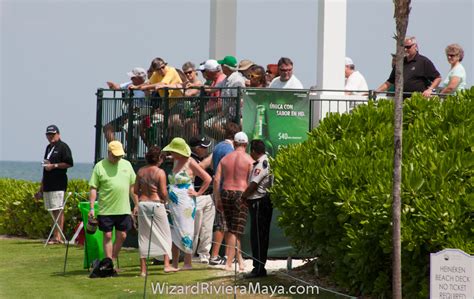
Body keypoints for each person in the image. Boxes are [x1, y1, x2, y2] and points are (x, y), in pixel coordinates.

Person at [162, 137, 211, 270]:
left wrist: (198, 193)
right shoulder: (175, 160)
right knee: (174, 230)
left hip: (186, 202)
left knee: (186, 229)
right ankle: (175, 263)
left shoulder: (191, 162)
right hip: (173, 202)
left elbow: (207, 178)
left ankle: (188, 262)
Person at [88, 141, 138, 270]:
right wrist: (92, 207)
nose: (117, 158)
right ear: (109, 153)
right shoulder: (99, 166)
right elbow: (93, 188)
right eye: (115, 156)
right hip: (106, 209)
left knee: (122, 235)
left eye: (119, 156)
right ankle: (109, 263)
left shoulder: (127, 165)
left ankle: (112, 259)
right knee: (108, 235)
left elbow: (132, 188)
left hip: (124, 208)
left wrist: (137, 204)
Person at [213, 131, 254, 272]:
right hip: (241, 194)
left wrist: (217, 198)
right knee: (235, 231)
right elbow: (251, 181)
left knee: (231, 229)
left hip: (225, 192)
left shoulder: (225, 159)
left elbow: (217, 179)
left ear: (235, 143)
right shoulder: (249, 160)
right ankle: (229, 263)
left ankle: (240, 260)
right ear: (246, 144)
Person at [134, 146, 176, 276]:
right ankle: (167, 265)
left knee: (143, 236)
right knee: (165, 234)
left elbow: (135, 191)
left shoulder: (140, 171)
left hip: (142, 204)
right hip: (156, 204)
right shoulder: (160, 172)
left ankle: (143, 270)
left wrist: (136, 205)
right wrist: (169, 201)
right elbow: (163, 192)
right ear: (159, 158)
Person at [209, 122, 240, 266]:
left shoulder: (217, 147)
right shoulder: (229, 150)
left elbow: (212, 166)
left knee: (226, 224)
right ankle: (214, 256)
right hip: (225, 189)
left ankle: (228, 255)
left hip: (219, 189)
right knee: (221, 225)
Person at [35, 125, 74, 244]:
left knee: (58, 208)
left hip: (58, 183)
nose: (50, 136)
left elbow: (69, 163)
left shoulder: (63, 147)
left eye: (53, 134)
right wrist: (41, 188)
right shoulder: (48, 147)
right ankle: (55, 236)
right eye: (48, 134)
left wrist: (54, 166)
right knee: (52, 210)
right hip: (48, 183)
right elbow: (45, 167)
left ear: (58, 134)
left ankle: (59, 237)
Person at [242, 140, 273, 278]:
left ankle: (258, 269)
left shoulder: (261, 164)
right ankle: (259, 267)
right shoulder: (267, 161)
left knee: (258, 237)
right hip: (262, 202)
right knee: (260, 236)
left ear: (254, 151)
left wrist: (243, 197)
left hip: (259, 202)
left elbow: (254, 185)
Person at [376, 36, 441, 97]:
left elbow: (438, 78)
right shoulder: (400, 63)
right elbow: (389, 82)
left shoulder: (423, 61)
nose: (406, 49)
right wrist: (376, 92)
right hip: (401, 101)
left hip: (418, 100)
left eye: (408, 47)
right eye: (404, 47)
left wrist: (430, 89)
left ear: (415, 46)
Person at [189, 135, 215, 264]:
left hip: (209, 195)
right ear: (196, 148)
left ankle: (204, 254)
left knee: (207, 228)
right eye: (203, 147)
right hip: (197, 196)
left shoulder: (204, 158)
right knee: (195, 228)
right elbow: (198, 171)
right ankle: (190, 254)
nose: (206, 150)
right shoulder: (190, 159)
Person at [103, 67, 147, 144]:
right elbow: (117, 87)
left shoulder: (148, 86)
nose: (131, 79)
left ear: (140, 78)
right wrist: (112, 85)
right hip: (130, 114)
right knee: (107, 128)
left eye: (133, 77)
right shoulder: (129, 84)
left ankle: (132, 152)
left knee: (130, 126)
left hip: (143, 114)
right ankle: (117, 149)